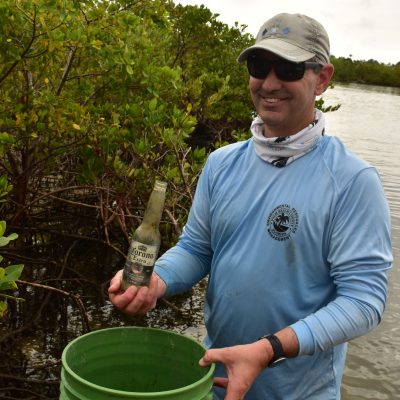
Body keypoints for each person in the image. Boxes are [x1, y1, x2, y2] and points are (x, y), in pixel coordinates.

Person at [108, 13, 393, 400]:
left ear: (322, 78)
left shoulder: (351, 180)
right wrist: (158, 282)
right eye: (260, 66)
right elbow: (197, 248)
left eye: (289, 68)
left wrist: (267, 350)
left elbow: (363, 301)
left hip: (300, 392)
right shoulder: (221, 163)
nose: (270, 83)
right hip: (215, 381)